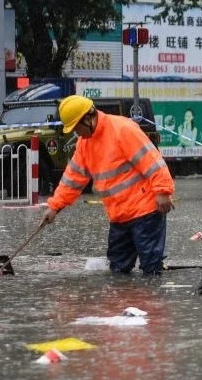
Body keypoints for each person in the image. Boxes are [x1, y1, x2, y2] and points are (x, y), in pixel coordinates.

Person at [41, 95, 175, 276]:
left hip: (146, 211)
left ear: (88, 118)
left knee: (151, 269)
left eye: (76, 128)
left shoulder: (122, 129)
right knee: (118, 270)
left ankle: (151, 303)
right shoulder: (84, 143)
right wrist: (54, 207)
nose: (76, 133)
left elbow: (152, 161)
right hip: (119, 216)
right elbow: (72, 178)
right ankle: (124, 303)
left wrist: (163, 192)